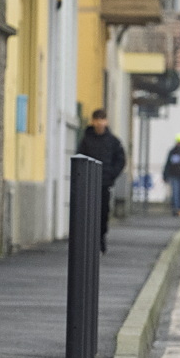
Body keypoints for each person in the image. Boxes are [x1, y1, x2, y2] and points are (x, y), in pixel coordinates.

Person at [76, 108, 126, 254]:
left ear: (106, 122)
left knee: (103, 212)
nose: (99, 123)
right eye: (97, 120)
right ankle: (89, 240)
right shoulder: (86, 140)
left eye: (102, 120)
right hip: (88, 183)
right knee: (87, 213)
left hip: (104, 183)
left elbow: (121, 160)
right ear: (93, 121)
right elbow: (80, 158)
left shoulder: (113, 141)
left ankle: (101, 237)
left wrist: (111, 175)